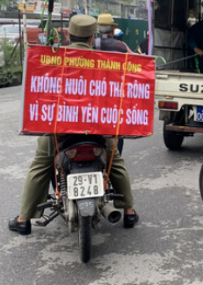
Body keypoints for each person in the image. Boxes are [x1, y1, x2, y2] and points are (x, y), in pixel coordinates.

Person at [9, 15, 138, 235]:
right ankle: (129, 212)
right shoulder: (105, 61)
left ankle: (23, 219)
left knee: (41, 164)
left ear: (69, 35)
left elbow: (42, 91)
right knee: (115, 161)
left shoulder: (55, 59)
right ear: (91, 38)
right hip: (97, 129)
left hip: (60, 133)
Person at [95, 13, 132, 154]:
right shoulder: (120, 46)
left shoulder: (93, 45)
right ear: (112, 30)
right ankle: (116, 156)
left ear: (98, 30)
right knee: (117, 127)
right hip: (115, 93)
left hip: (95, 92)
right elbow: (134, 60)